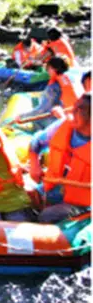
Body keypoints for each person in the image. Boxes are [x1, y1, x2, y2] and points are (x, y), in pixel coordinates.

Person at [26, 94, 90, 223]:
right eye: (75, 108)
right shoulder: (63, 125)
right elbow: (35, 143)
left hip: (81, 203)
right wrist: (35, 165)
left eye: (81, 110)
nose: (73, 113)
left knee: (47, 216)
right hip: (51, 188)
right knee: (23, 197)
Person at [10, 56, 82, 130]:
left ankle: (39, 135)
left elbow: (41, 111)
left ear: (53, 69)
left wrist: (21, 116)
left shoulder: (53, 87)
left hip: (64, 123)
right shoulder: (72, 79)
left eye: (48, 68)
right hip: (78, 119)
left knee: (36, 119)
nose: (47, 71)